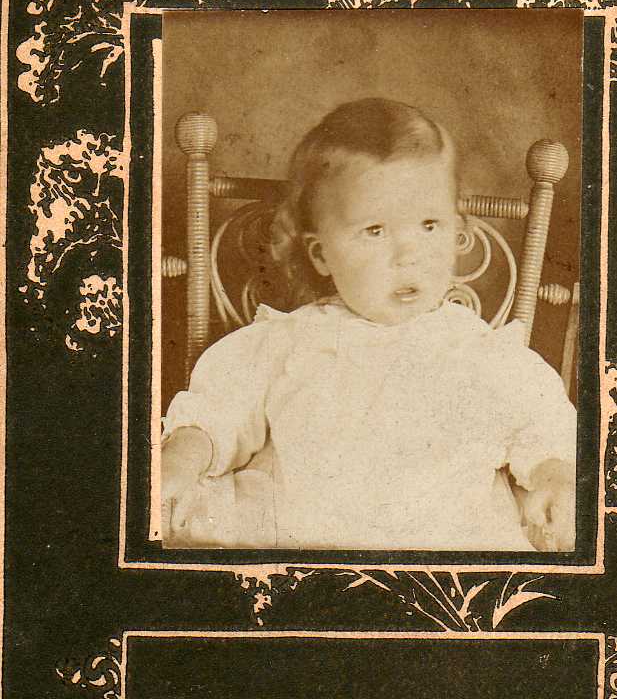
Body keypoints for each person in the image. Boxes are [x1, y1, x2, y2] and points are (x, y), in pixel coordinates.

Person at [161, 98, 576, 551]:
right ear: (321, 254)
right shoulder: (289, 340)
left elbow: (540, 421)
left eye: (430, 225)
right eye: (375, 231)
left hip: (445, 546)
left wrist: (552, 473)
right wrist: (184, 455)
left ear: (457, 228)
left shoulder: (481, 350)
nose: (408, 255)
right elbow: (219, 408)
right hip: (300, 542)